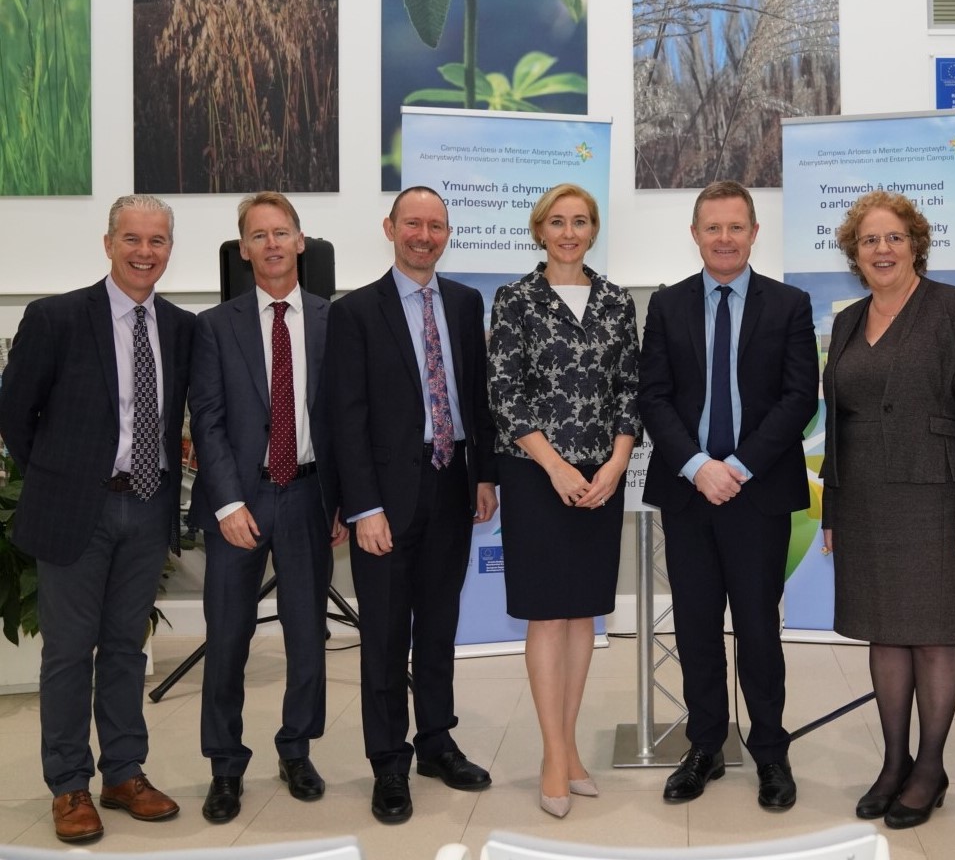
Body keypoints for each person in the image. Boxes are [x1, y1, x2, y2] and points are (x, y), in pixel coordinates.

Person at [0, 195, 193, 843]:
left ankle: (124, 773)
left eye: (157, 241)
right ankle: (69, 785)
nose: (145, 252)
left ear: (170, 248)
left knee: (123, 649)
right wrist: (64, 475)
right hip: (74, 509)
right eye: (133, 239)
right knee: (66, 654)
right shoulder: (55, 318)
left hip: (148, 506)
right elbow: (16, 415)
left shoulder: (179, 327)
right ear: (108, 243)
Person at [638, 180, 818, 811]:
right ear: (694, 234)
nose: (723, 238)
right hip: (690, 493)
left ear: (753, 233)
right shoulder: (667, 305)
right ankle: (705, 745)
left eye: (735, 227)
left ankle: (770, 750)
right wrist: (695, 465)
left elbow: (800, 398)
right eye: (711, 228)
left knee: (758, 631)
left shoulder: (790, 305)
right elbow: (653, 396)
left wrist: (736, 466)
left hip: (757, 492)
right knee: (694, 628)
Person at [819, 191, 955, 828]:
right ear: (854, 253)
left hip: (937, 495)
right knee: (884, 631)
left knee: (933, 633)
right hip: (862, 496)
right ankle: (893, 763)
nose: (882, 250)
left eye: (894, 237)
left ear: (915, 243)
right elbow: (837, 424)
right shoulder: (845, 321)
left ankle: (930, 767)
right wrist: (832, 510)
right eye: (870, 240)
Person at [325, 185, 499, 824]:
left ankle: (436, 744)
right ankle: (389, 762)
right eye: (413, 224)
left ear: (447, 233)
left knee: (439, 629)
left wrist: (484, 477)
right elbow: (345, 418)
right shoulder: (355, 313)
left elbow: (475, 400)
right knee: (385, 634)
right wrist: (363, 507)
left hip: (453, 487)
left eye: (436, 226)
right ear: (390, 228)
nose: (424, 235)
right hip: (386, 502)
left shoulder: (463, 302)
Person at [188, 192, 347, 823]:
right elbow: (209, 420)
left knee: (308, 635)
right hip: (240, 499)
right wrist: (227, 501)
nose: (273, 245)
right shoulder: (214, 326)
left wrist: (348, 501)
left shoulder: (335, 320)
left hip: (311, 496)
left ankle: (296, 749)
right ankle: (225, 766)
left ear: (301, 242)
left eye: (283, 233)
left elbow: (342, 419)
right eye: (259, 236)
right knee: (228, 639)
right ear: (244, 249)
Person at [487, 184, 640, 818]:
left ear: (593, 229)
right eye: (558, 222)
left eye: (580, 222)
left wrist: (617, 464)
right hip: (535, 477)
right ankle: (553, 755)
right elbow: (506, 393)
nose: (569, 232)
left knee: (583, 615)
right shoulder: (515, 300)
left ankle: (569, 746)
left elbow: (631, 388)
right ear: (539, 230)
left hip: (601, 478)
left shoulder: (615, 302)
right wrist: (553, 467)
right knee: (547, 615)